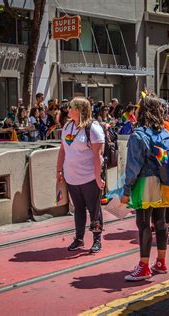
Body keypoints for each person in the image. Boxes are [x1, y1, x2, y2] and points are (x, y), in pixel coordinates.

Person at [120, 96, 169, 281]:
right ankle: (161, 262)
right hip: (166, 184)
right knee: (161, 222)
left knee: (144, 224)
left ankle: (143, 266)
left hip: (146, 184)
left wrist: (126, 190)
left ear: (143, 112)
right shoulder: (165, 132)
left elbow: (133, 167)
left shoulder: (139, 135)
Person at [56, 97, 105, 254]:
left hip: (89, 178)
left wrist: (98, 178)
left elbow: (99, 156)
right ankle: (79, 238)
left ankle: (97, 240)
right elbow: (63, 150)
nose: (68, 109)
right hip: (72, 178)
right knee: (78, 209)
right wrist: (59, 170)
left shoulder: (93, 129)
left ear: (80, 109)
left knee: (94, 210)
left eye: (71, 107)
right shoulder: (67, 127)